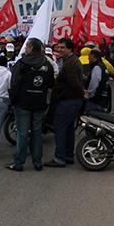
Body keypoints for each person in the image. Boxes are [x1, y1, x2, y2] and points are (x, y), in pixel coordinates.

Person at [6, 38, 54, 171]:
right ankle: (37, 162)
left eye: (26, 46)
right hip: (40, 103)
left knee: (22, 133)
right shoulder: (47, 64)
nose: (25, 49)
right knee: (37, 133)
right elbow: (51, 83)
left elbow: (14, 84)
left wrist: (13, 101)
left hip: (23, 103)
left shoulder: (21, 63)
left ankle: (19, 163)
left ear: (31, 48)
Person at [46, 37, 84, 168]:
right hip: (71, 100)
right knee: (67, 129)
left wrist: (80, 95)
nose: (59, 49)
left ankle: (59, 158)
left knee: (60, 129)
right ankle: (68, 155)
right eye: (59, 47)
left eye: (63, 47)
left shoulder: (71, 63)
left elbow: (74, 84)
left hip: (68, 101)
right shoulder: (69, 60)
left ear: (69, 49)